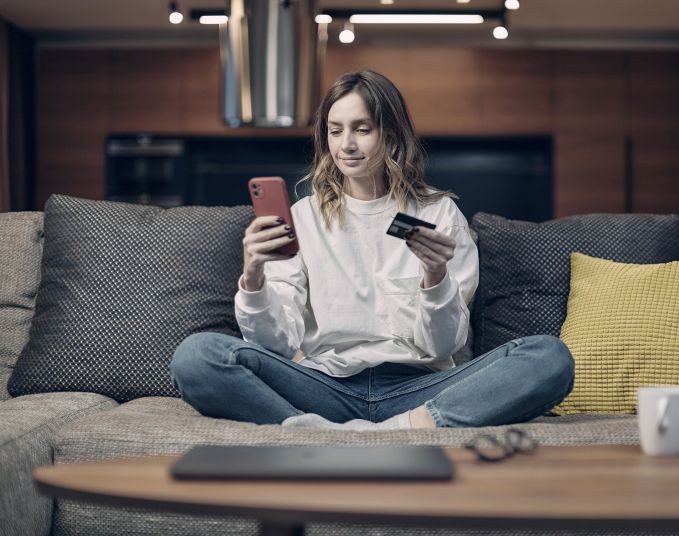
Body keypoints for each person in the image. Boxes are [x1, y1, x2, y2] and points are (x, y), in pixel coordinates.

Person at [170, 70, 574, 429]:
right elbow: (275, 345)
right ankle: (308, 428)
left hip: (420, 386)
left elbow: (442, 347)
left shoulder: (439, 213)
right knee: (197, 355)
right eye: (335, 130)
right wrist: (253, 277)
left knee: (548, 357)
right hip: (324, 386)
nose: (346, 144)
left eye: (362, 128)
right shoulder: (304, 218)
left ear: (391, 133)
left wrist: (435, 279)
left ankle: (410, 425)